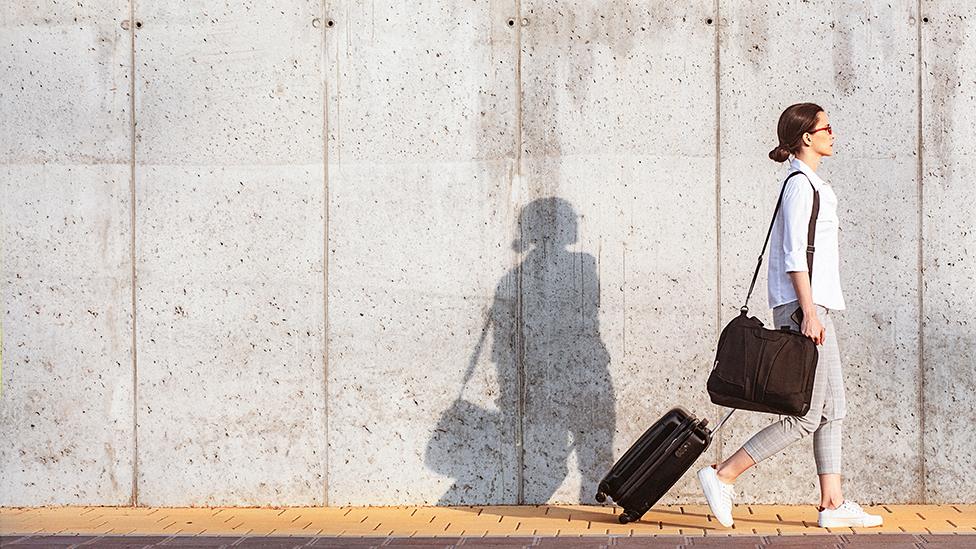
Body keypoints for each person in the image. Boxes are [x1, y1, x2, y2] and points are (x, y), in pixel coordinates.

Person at [696, 103, 884, 529]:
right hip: (806, 308)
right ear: (806, 138)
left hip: (812, 306)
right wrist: (809, 312)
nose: (833, 134)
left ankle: (832, 504)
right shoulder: (801, 185)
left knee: (833, 410)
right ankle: (723, 474)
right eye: (826, 128)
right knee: (805, 414)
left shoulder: (811, 183)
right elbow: (793, 255)